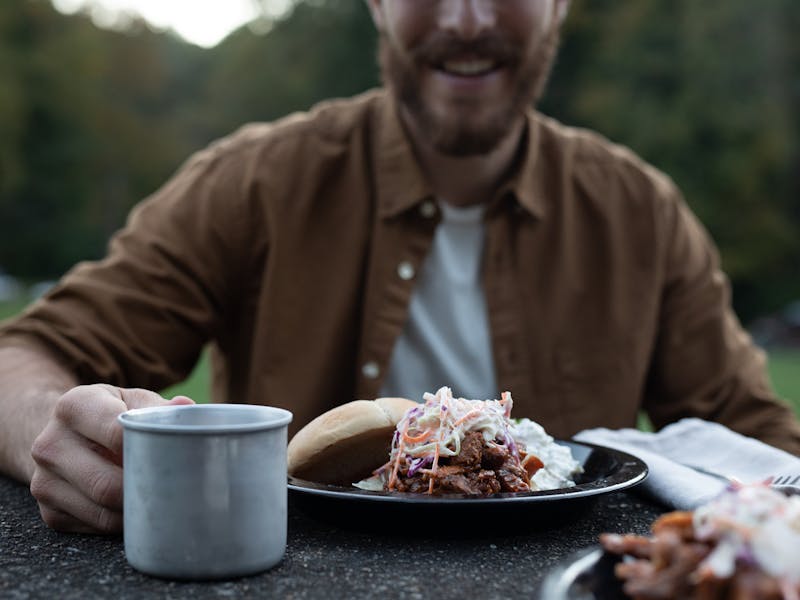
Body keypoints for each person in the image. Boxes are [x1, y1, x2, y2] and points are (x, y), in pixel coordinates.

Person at [0, 0, 798, 535]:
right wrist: (55, 429)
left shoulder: (638, 211)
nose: (467, 19)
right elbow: (23, 358)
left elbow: (756, 444)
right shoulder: (258, 182)